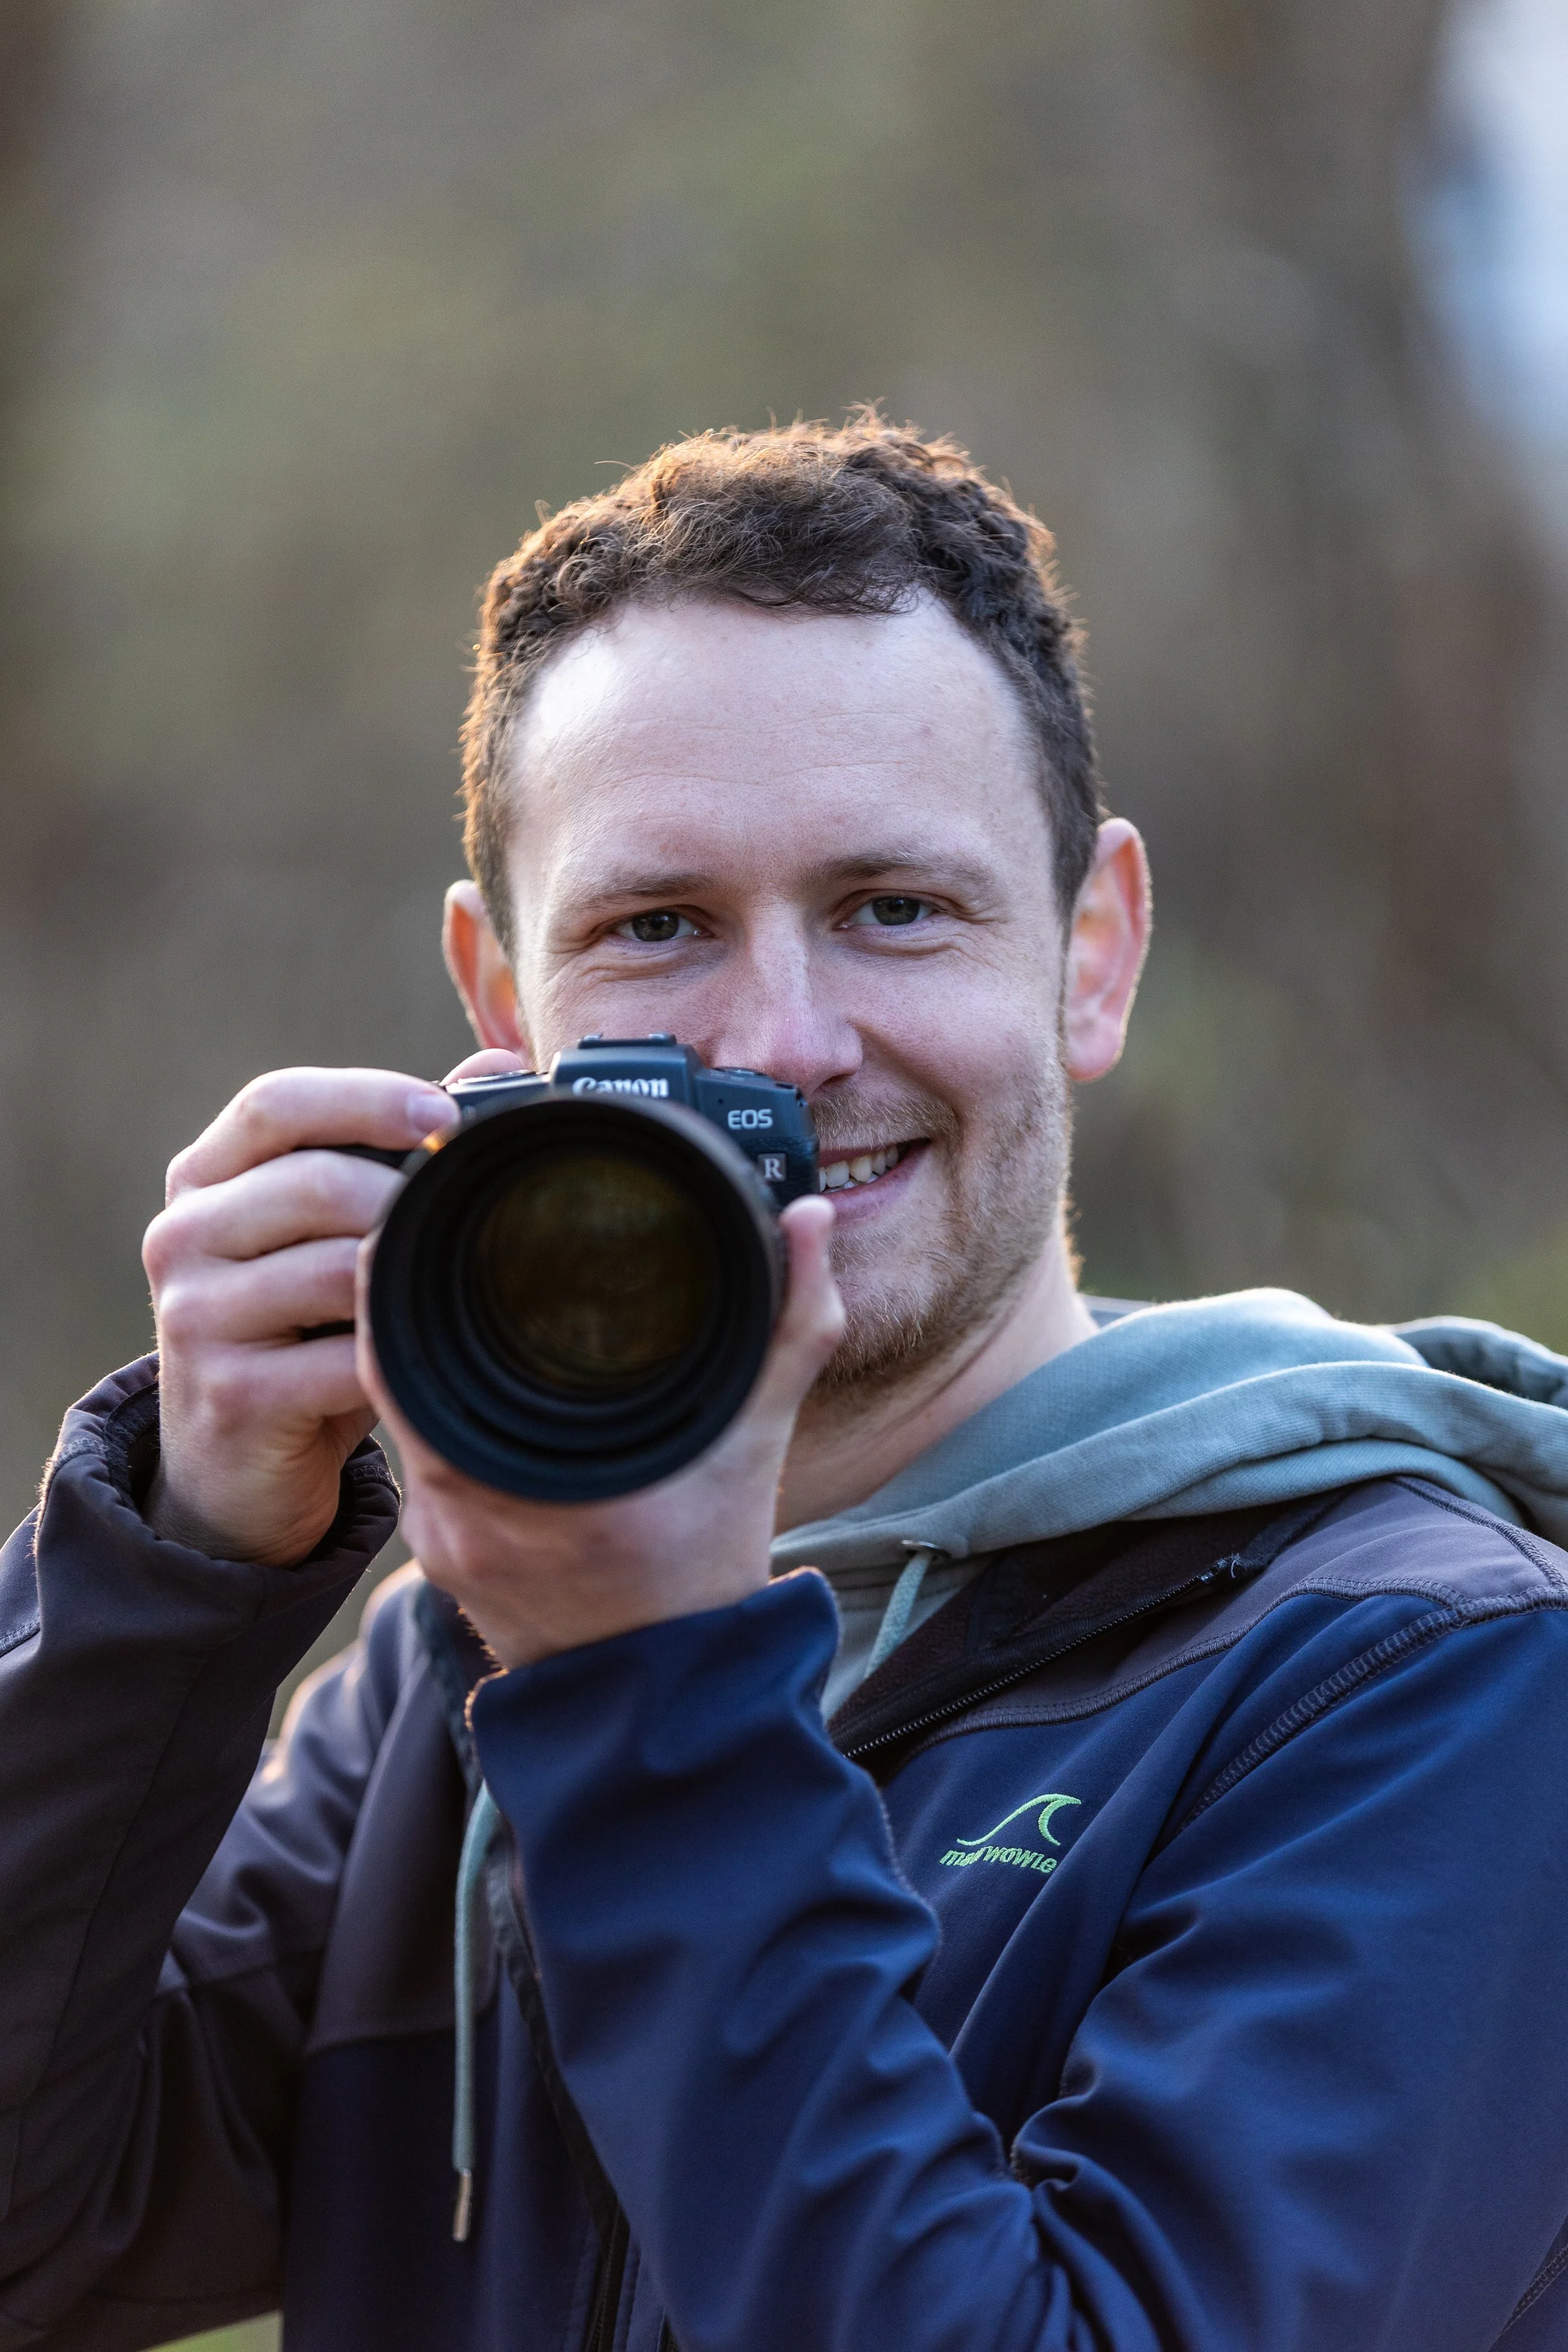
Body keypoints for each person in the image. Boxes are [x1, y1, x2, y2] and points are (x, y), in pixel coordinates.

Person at [4, 416, 1568, 2352]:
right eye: (657, 927)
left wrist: (645, 1694)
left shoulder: (1419, 1671)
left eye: (893, 906)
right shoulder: (457, 1671)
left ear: (1093, 952)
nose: (785, 1039)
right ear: (503, 1002)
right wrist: (168, 1564)